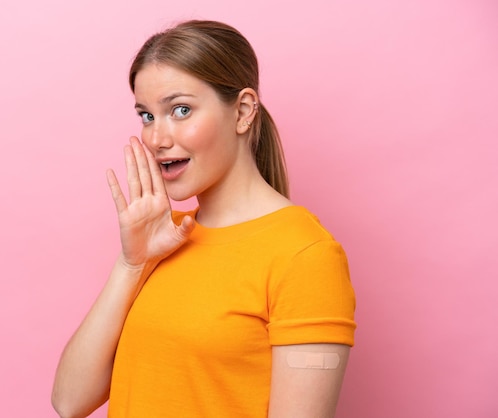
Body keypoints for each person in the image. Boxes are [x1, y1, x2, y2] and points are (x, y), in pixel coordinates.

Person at [52, 20, 356, 418]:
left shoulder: (305, 255)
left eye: (181, 110)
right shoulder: (164, 240)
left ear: (243, 111)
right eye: (147, 116)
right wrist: (132, 263)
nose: (157, 139)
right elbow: (69, 401)